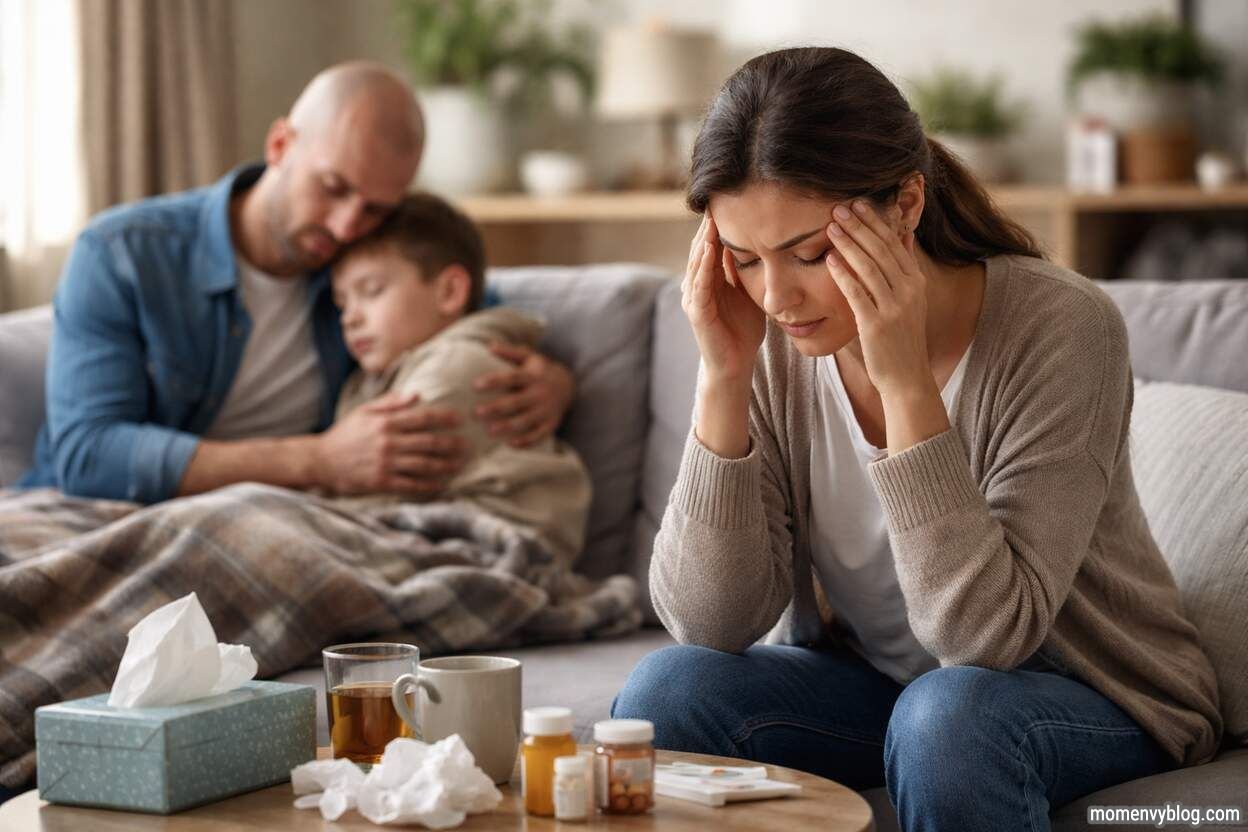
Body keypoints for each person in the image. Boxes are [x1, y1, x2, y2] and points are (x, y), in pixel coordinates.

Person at [610, 47, 1221, 831]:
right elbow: (709, 622)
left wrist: (903, 382)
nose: (777, 296)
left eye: (810, 254)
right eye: (744, 259)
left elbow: (985, 638)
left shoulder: (1064, 329)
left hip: (1080, 693)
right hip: (884, 689)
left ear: (905, 204)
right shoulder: (764, 335)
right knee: (669, 691)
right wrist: (723, 379)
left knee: (947, 717)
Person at [18, 61, 574, 504]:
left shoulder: (366, 258)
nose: (345, 226)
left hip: (282, 524)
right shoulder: (123, 254)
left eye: (376, 209)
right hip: (111, 512)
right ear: (280, 145)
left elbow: (469, 316)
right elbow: (89, 456)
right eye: (333, 187)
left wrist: (551, 381)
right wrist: (319, 460)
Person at [331, 192, 591, 566]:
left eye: (371, 292)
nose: (349, 318)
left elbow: (376, 488)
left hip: (499, 547)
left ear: (450, 291)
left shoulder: (459, 365)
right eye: (342, 303)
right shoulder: (370, 380)